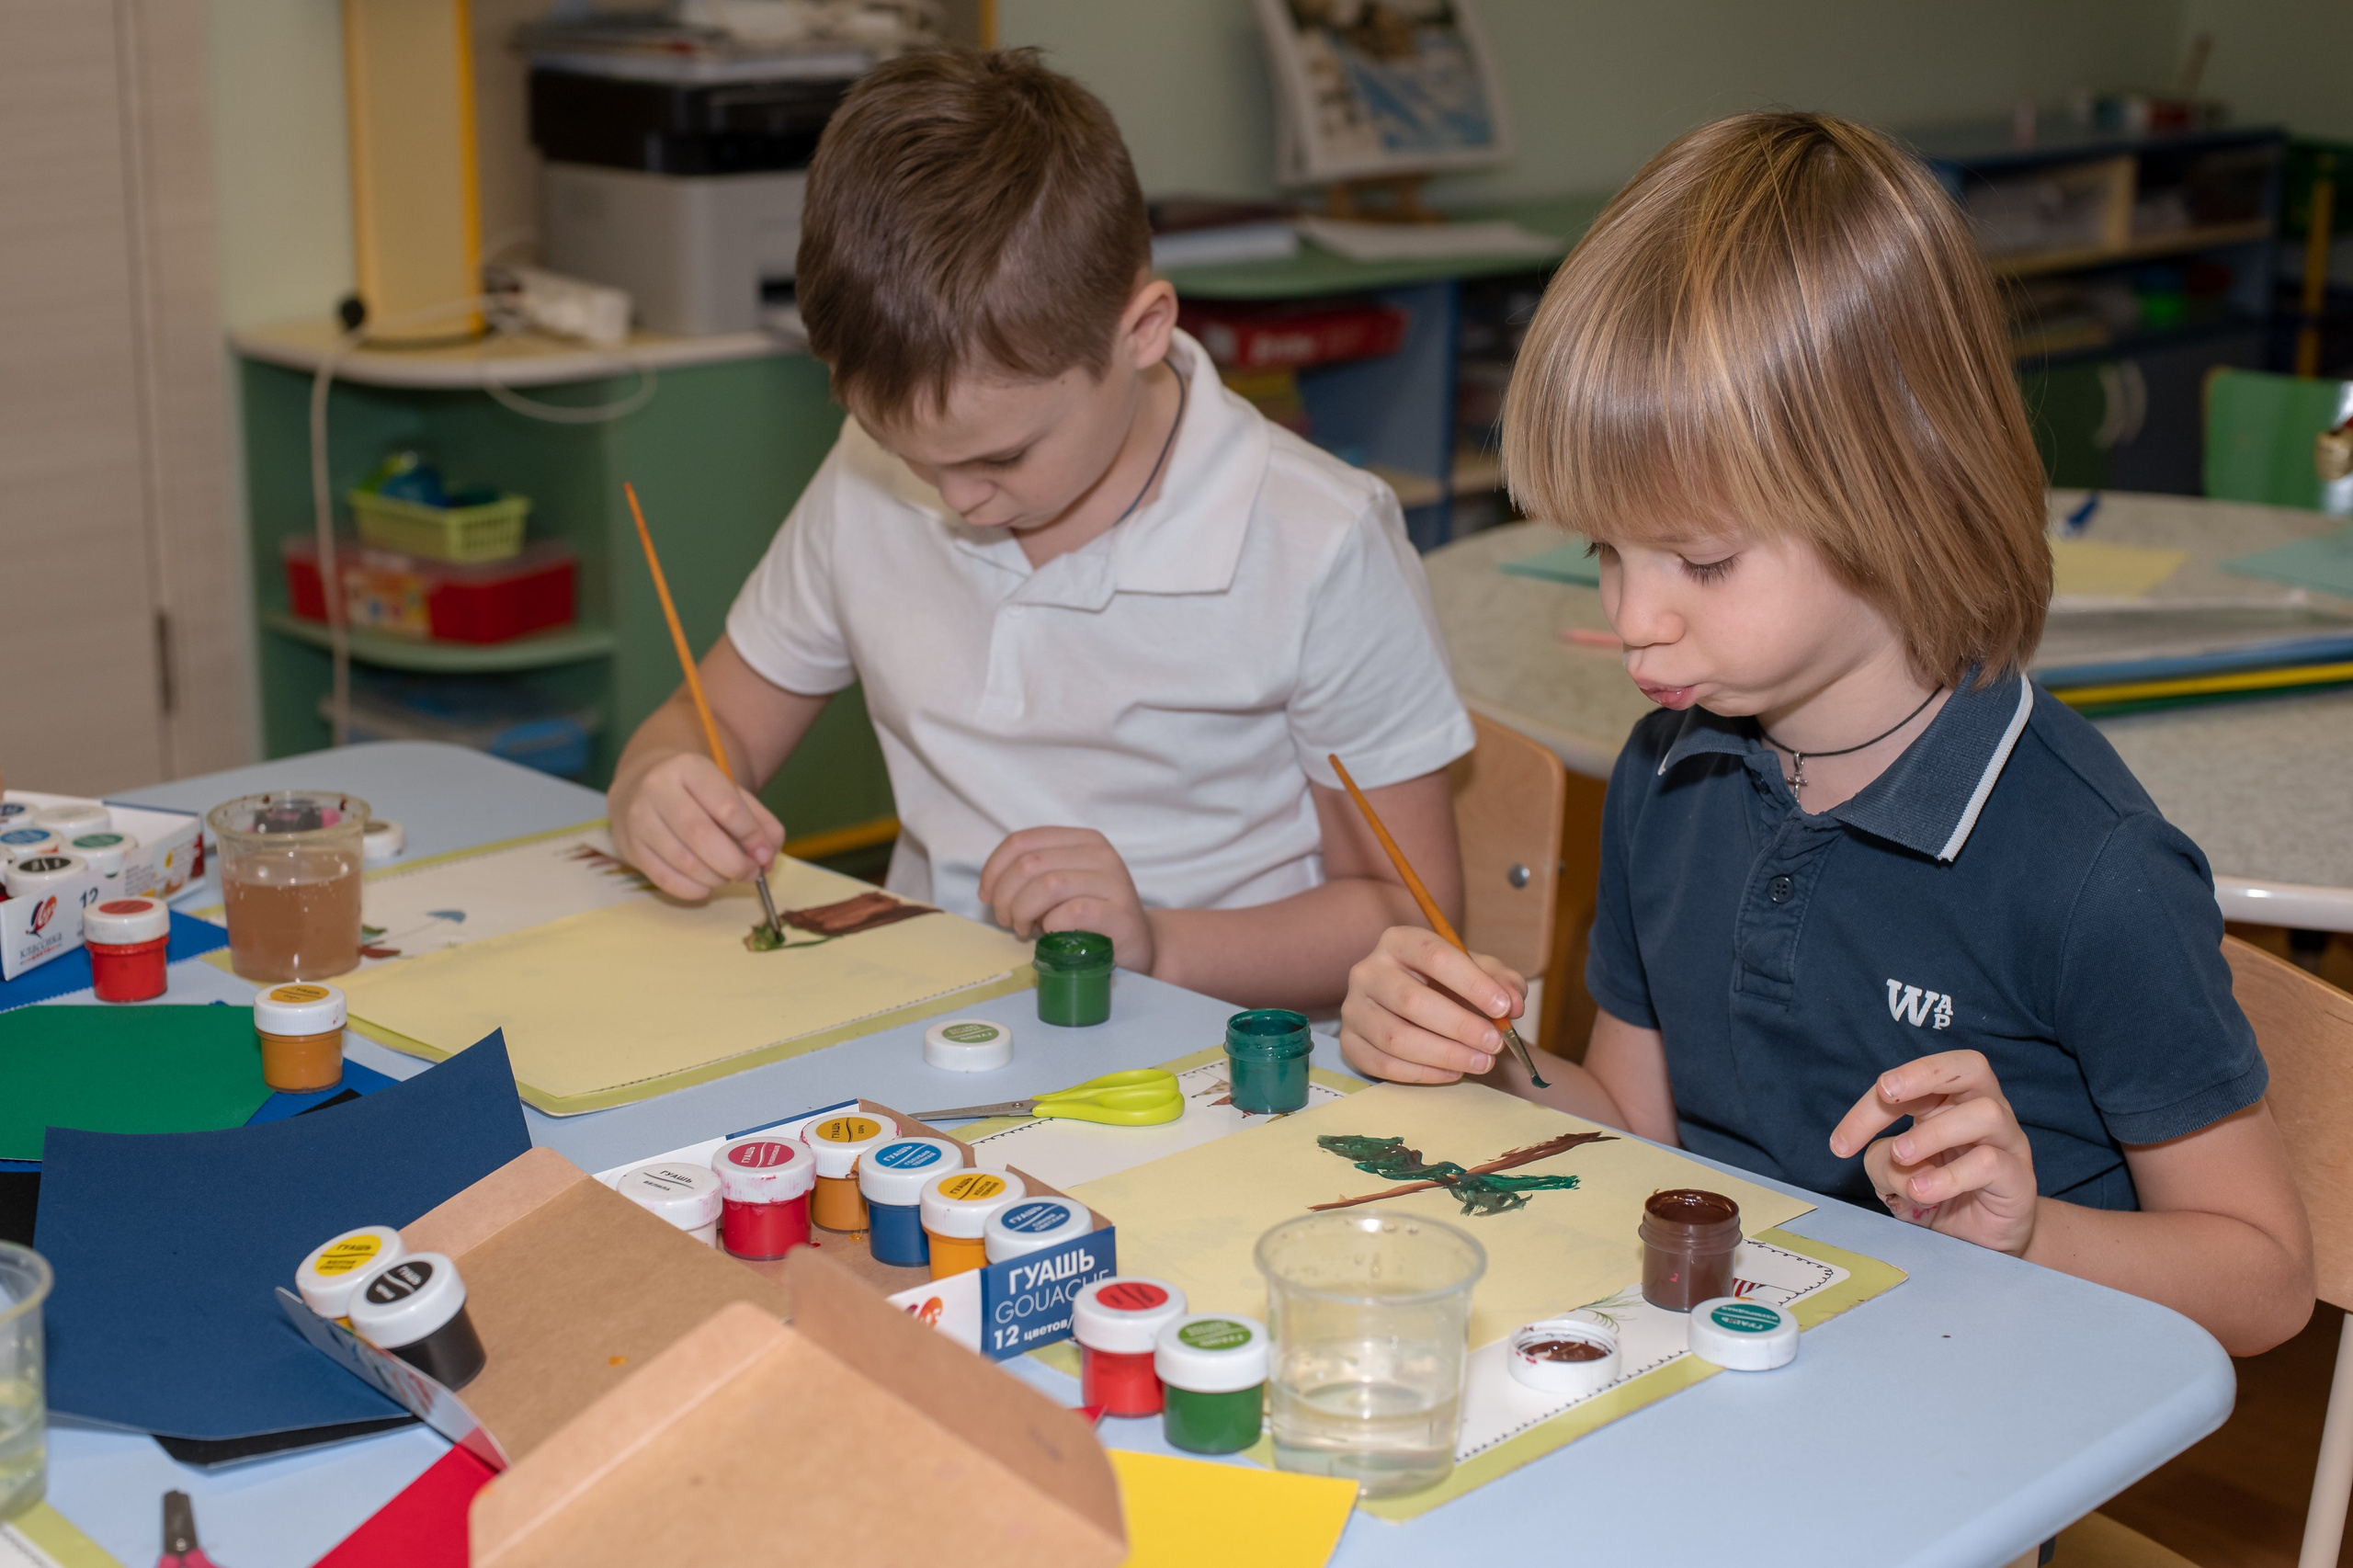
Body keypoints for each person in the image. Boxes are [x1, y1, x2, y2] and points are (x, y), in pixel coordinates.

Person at [1337, 111, 2313, 1355]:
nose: (1634, 617)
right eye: (1604, 551)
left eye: (1699, 558)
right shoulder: (1668, 768)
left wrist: (2027, 1229)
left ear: (1900, 491)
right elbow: (1637, 1123)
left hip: (1978, 1422)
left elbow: (2266, 1279)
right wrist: (1480, 1055)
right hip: (1726, 1358)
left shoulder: (2089, 864)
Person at [607, 50, 1473, 1012]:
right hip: (933, 1014)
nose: (955, 500)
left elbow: (1410, 914)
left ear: (1139, 330)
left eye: (1002, 458)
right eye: (913, 457)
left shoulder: (1316, 541)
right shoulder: (869, 474)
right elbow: (714, 719)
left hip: (1215, 1052)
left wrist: (1158, 941)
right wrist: (658, 780)